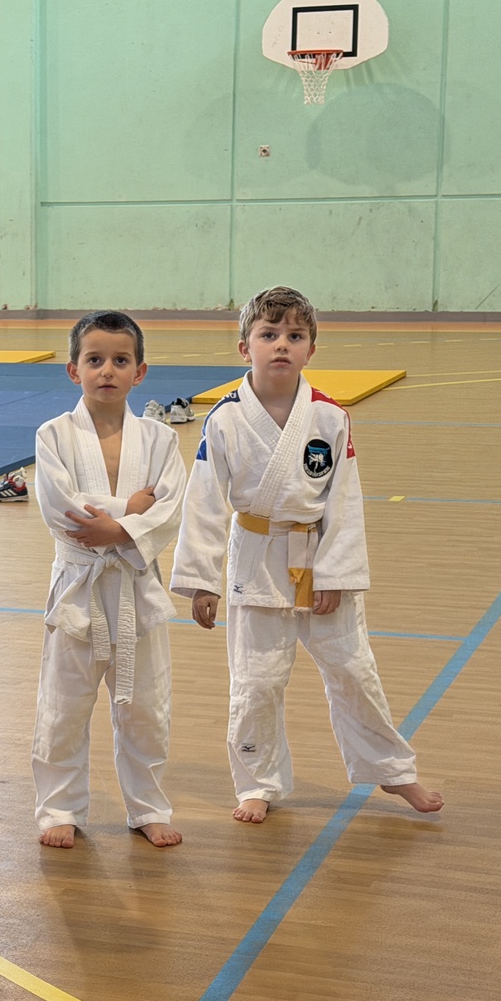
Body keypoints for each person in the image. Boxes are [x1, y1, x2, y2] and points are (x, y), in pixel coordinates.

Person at [169, 286, 444, 823]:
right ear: (244, 347)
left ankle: (392, 770)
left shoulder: (329, 417)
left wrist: (336, 573)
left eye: (294, 336)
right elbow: (203, 503)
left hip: (320, 555)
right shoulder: (224, 420)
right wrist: (202, 580)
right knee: (257, 680)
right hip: (256, 556)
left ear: (311, 349)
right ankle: (257, 782)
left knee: (353, 669)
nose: (281, 345)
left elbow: (345, 499)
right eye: (268, 334)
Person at [29, 312, 188, 849]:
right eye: (94, 359)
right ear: (73, 370)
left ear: (140, 372)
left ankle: (148, 807)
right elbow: (61, 509)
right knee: (64, 706)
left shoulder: (161, 438)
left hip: (137, 588)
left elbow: (170, 509)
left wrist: (115, 526)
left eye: (121, 360)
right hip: (78, 586)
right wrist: (131, 512)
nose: (107, 371)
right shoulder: (53, 435)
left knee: (146, 707)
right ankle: (59, 809)